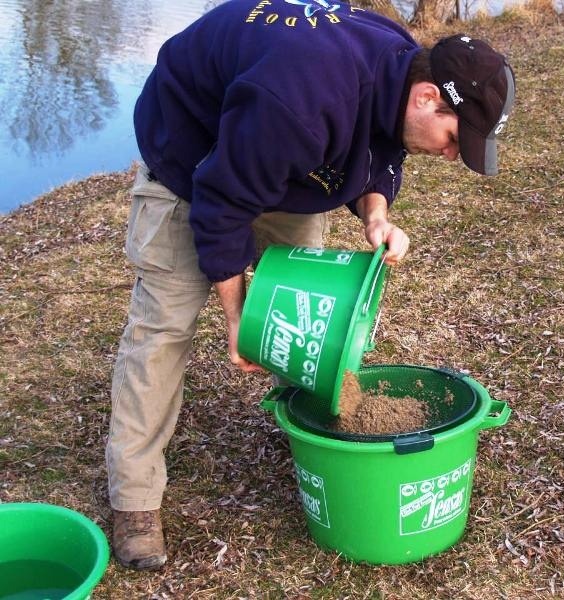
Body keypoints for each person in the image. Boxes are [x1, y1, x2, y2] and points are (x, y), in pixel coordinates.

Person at [106, 0, 515, 570]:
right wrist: (237, 318)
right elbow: (220, 203)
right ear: (428, 97)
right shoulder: (303, 98)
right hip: (192, 154)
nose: (451, 154)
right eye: (453, 138)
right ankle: (134, 499)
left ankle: (309, 433)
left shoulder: (401, 63)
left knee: (305, 309)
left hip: (276, 149)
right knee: (165, 327)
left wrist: (375, 215)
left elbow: (381, 148)